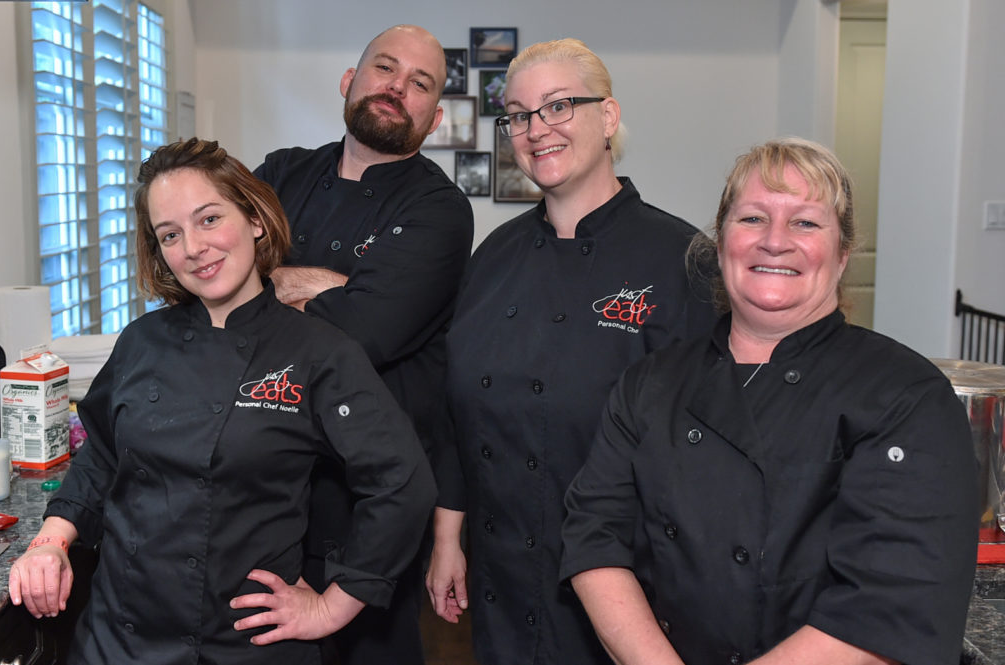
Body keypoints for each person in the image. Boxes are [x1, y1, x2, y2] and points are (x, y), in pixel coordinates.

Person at [8, 138, 436, 665]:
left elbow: (402, 482)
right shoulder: (141, 341)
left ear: (255, 218)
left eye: (209, 219)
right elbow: (101, 452)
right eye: (171, 234)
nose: (193, 247)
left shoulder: (318, 351)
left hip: (245, 644)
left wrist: (331, 608)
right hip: (119, 639)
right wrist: (50, 540)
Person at [560, 137, 979, 665]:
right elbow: (595, 535)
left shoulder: (904, 395)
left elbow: (891, 603)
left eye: (805, 222)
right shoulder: (649, 382)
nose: (774, 242)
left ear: (843, 252)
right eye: (753, 218)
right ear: (720, 243)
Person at [425, 39, 716, 665]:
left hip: (628, 578)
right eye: (520, 115)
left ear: (607, 117)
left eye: (558, 106)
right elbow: (456, 408)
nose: (537, 130)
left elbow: (709, 444)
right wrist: (449, 535)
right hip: (500, 569)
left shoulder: (683, 260)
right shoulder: (493, 257)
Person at [253, 24, 474, 665]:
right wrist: (345, 287)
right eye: (385, 68)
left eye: (420, 84)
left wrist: (282, 282)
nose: (396, 88)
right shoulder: (279, 173)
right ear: (350, 82)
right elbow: (220, 289)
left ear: (433, 121)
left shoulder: (440, 209)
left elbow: (364, 332)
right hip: (260, 490)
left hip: (363, 503)